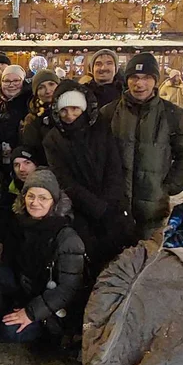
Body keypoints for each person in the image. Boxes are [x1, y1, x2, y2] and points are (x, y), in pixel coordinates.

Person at [0, 169, 88, 344]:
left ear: (54, 202)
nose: (35, 203)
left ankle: (41, 331)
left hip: (49, 301)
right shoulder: (20, 222)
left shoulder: (67, 238)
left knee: (10, 331)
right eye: (30, 196)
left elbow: (68, 289)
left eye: (42, 198)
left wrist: (30, 313)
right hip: (25, 286)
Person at [102, 52, 183, 239]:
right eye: (134, 78)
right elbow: (97, 154)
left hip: (152, 213)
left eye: (146, 78)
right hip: (115, 208)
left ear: (155, 81)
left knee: (147, 261)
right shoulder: (109, 112)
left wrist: (168, 187)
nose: (139, 84)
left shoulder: (174, 115)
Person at [43, 82, 134, 269]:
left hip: (113, 204)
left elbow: (114, 166)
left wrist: (110, 201)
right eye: (64, 110)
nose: (70, 115)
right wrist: (94, 205)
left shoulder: (102, 128)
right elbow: (64, 178)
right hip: (82, 209)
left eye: (75, 109)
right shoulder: (53, 139)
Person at [0, 65, 31, 171]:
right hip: (0, 158)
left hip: (24, 158)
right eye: (7, 81)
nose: (11, 84)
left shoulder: (29, 103)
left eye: (16, 80)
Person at [19, 68, 60, 162]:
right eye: (41, 87)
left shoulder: (70, 109)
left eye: (51, 84)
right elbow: (31, 148)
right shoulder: (32, 119)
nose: (48, 91)